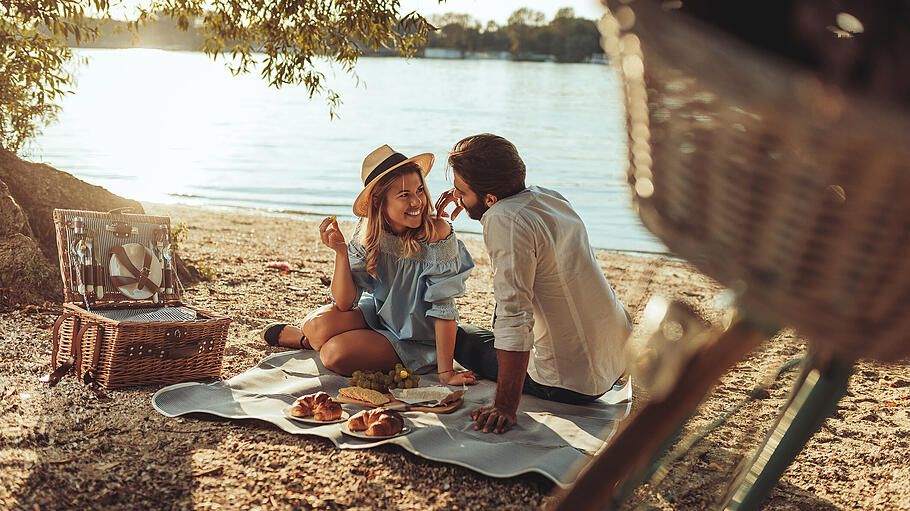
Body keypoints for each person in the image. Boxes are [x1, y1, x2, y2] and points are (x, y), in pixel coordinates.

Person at [435, 133, 632, 434]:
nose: (457, 198)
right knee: (492, 323)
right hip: (616, 358)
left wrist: (504, 406)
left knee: (456, 338)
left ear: (490, 199)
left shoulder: (504, 220)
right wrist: (468, 195)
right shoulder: (547, 197)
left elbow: (515, 317)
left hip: (568, 383)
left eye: (461, 192)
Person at [260, 145, 476, 386]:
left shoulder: (438, 233)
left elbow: (444, 308)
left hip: (417, 338)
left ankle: (315, 343)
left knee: (334, 355)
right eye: (404, 195)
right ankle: (308, 339)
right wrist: (341, 253)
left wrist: (446, 373)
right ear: (378, 201)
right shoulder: (369, 230)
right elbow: (344, 303)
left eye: (419, 191)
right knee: (313, 325)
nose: (417, 202)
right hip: (381, 314)